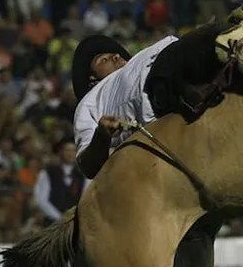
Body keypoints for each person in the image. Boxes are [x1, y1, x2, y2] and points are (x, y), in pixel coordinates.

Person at [71, 33, 180, 179]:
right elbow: (88, 166)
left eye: (116, 54)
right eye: (103, 60)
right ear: (92, 80)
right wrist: (101, 136)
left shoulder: (141, 59)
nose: (116, 56)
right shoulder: (89, 104)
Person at [32, 140, 88, 267]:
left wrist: (73, 217)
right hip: (53, 225)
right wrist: (59, 217)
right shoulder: (47, 173)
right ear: (60, 153)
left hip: (76, 224)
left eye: (73, 150)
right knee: (50, 266)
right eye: (67, 150)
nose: (70, 154)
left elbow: (87, 197)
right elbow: (40, 198)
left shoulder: (84, 173)